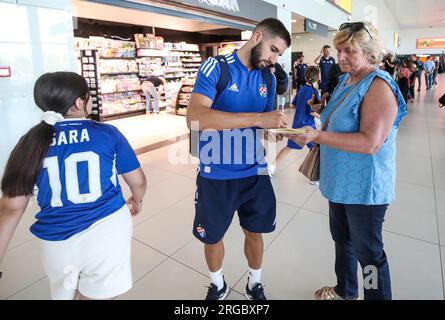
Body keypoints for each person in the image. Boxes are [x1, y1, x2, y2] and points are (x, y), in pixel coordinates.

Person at [286, 22, 407, 300]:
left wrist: (318, 135)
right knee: (342, 241)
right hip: (340, 181)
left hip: (364, 190)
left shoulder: (378, 86)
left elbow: (370, 142)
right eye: (339, 49)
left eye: (349, 51)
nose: (341, 57)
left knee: (369, 255)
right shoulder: (346, 80)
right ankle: (346, 290)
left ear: (368, 52)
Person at [0, 72, 147, 300]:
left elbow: (10, 208)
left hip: (56, 242)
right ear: (80, 102)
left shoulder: (29, 142)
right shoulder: (107, 133)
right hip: (107, 231)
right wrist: (137, 199)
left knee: (64, 290)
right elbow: (138, 180)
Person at [186, 18, 291, 300]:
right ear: (257, 37)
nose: (273, 59)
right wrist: (259, 118)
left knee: (255, 232)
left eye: (278, 54)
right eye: (273, 50)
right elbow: (194, 118)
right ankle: (218, 284)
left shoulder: (267, 78)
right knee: (213, 237)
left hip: (254, 172)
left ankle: (254, 283)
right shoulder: (217, 68)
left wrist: (285, 132)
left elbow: (265, 128)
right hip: (216, 172)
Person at [271, 66, 320, 170]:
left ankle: (271, 167)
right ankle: (315, 175)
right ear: (318, 78)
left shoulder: (302, 89)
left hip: (297, 124)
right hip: (308, 127)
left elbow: (294, 104)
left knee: (289, 148)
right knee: (317, 150)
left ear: (305, 77)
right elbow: (313, 112)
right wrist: (322, 116)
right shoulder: (314, 92)